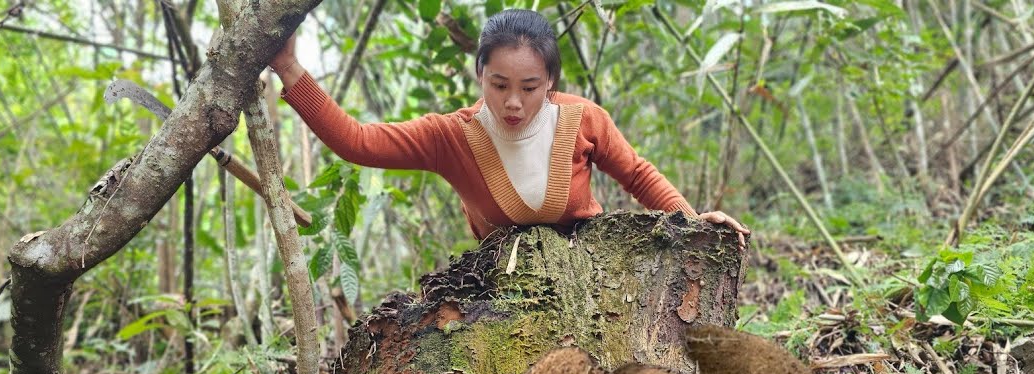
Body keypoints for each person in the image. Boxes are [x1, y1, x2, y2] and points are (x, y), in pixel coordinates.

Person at [269, 9, 750, 247]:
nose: (513, 102)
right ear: (479, 75)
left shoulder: (582, 119)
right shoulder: (451, 136)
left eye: (530, 87)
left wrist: (691, 219)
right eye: (498, 85)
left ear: (552, 83)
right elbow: (358, 142)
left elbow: (638, 175)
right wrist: (290, 69)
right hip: (499, 284)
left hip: (592, 268)